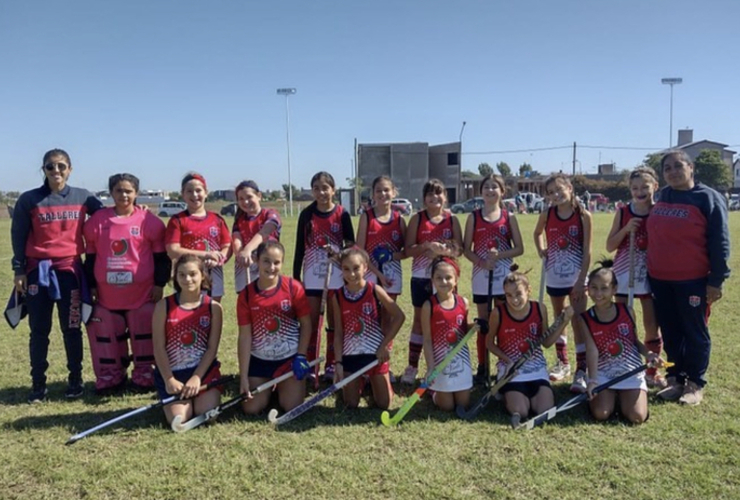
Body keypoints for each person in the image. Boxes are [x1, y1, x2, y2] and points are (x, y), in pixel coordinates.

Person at [11, 149, 103, 403]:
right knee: (39, 330)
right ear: (44, 170)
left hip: (70, 272)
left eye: (61, 166)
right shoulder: (29, 200)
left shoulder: (83, 197)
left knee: (72, 328)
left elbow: (107, 216)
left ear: (70, 169)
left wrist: (135, 210)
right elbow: (18, 235)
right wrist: (19, 270)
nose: (56, 171)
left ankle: (75, 380)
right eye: (50, 167)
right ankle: (38, 384)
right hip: (37, 273)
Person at [647, 150, 731, 406]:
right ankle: (675, 379)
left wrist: (717, 280)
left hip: (692, 280)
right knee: (671, 331)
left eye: (678, 166)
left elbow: (720, 241)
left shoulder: (707, 198)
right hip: (660, 279)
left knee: (694, 331)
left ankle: (695, 383)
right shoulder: (663, 196)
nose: (672, 171)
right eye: (667, 168)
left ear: (691, 167)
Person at [83, 173, 170, 394]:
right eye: (119, 190)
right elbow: (90, 259)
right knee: (106, 333)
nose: (124, 195)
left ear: (136, 193)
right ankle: (111, 376)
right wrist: (91, 285)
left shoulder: (149, 222)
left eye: (128, 191)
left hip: (142, 294)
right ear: (111, 192)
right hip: (106, 295)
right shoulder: (97, 222)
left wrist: (159, 284)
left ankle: (145, 375)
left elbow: (161, 258)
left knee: (144, 333)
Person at [487, 265, 573, 428]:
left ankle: (527, 395)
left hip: (536, 369)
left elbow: (546, 342)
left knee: (544, 410)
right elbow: (489, 343)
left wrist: (564, 322)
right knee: (522, 411)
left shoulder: (539, 309)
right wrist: (507, 360)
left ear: (528, 291)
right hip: (511, 371)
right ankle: (505, 392)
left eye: (518, 293)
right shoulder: (498, 313)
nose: (514, 300)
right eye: (509, 295)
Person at [580, 260, 662, 424]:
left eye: (604, 288)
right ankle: (610, 399)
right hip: (604, 375)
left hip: (630, 372)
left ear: (614, 289)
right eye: (594, 287)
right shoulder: (586, 318)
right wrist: (593, 380)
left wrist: (649, 354)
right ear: (587, 289)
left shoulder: (627, 311)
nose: (598, 293)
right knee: (601, 413)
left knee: (637, 416)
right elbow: (592, 350)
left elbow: (634, 342)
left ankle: (623, 399)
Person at [605, 167, 665, 388]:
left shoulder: (660, 211)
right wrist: (626, 229)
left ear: (655, 187)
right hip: (623, 273)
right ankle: (621, 365)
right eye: (635, 188)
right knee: (621, 323)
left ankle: (651, 371)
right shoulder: (623, 212)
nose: (640, 192)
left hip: (650, 274)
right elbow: (610, 246)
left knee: (651, 325)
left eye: (645, 187)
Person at [533, 174, 592, 393]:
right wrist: (542, 250)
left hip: (576, 277)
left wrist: (580, 281)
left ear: (569, 188)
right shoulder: (547, 214)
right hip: (554, 276)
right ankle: (563, 362)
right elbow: (537, 233)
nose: (556, 195)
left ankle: (582, 369)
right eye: (550, 192)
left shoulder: (583, 215)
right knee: (560, 321)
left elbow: (587, 251)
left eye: (559, 189)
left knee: (578, 320)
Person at [293, 171, 354, 383]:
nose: (321, 192)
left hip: (336, 276)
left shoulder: (342, 214)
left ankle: (330, 364)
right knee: (311, 322)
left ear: (333, 190)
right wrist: (296, 278)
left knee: (334, 322)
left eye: (325, 187)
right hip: (312, 276)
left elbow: (351, 246)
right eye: (317, 188)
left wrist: (338, 253)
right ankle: (311, 365)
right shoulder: (306, 215)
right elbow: (299, 248)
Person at [237, 241, 312, 414]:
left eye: (276, 262)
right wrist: (243, 377)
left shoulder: (293, 287)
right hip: (260, 360)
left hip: (288, 360)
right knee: (251, 408)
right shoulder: (246, 295)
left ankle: (283, 387)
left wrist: (300, 355)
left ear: (282, 263)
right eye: (266, 261)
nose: (271, 267)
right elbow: (245, 336)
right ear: (256, 260)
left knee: (291, 407)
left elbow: (306, 324)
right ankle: (268, 389)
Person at [463, 174, 524, 384]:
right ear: (481, 192)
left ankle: (502, 363)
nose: (490, 191)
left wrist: (500, 255)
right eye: (486, 187)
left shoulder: (509, 217)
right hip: (481, 278)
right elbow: (466, 249)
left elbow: (519, 248)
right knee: (484, 323)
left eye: (494, 187)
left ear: (502, 192)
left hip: (503, 279)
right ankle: (483, 365)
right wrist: (481, 262)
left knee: (501, 321)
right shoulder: (474, 217)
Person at [402, 179, 463, 385]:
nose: (434, 197)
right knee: (419, 321)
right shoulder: (417, 219)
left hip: (446, 278)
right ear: (424, 198)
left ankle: (451, 363)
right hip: (421, 276)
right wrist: (426, 246)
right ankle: (412, 366)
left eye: (438, 193)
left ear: (445, 196)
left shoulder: (452, 220)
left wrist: (445, 251)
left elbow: (459, 250)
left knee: (446, 320)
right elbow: (408, 249)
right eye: (429, 194)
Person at [152, 254, 223, 428]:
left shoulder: (213, 308)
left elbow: (211, 349)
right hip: (173, 374)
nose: (187, 279)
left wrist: (197, 378)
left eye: (192, 274)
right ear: (175, 277)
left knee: (207, 415)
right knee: (180, 419)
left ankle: (198, 398)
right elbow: (158, 348)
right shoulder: (163, 306)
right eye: (181, 274)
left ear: (203, 276)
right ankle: (173, 399)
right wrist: (169, 379)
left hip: (203, 373)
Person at [332, 247, 404, 409]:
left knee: (383, 404)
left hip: (375, 355)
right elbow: (338, 332)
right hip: (351, 355)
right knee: (350, 404)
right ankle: (362, 381)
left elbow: (400, 316)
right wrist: (338, 363)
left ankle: (372, 381)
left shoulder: (374, 290)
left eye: (356, 268)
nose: (351, 274)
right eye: (346, 269)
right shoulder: (337, 296)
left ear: (365, 267)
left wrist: (384, 345)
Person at [355, 175, 406, 373]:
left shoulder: (399, 219)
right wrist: (377, 273)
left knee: (387, 320)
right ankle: (367, 365)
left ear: (393, 192)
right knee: (369, 318)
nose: (383, 194)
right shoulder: (367, 216)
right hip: (370, 273)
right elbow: (359, 250)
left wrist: (392, 255)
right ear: (373, 194)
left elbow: (406, 251)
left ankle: (384, 365)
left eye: (387, 190)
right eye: (378, 190)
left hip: (392, 275)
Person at [165, 173, 231, 301]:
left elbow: (227, 246)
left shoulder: (217, 220)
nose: (194, 195)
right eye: (189, 191)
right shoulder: (177, 220)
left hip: (214, 275)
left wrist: (218, 259)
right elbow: (173, 250)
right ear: (183, 194)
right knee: (186, 312)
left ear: (206, 192)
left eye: (198, 190)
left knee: (212, 314)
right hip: (186, 276)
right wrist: (206, 254)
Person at [422, 256, 472, 411]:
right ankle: (433, 392)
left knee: (463, 404)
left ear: (456, 280)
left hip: (461, 361)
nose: (444, 282)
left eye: (448, 278)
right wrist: (431, 368)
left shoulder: (463, 302)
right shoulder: (429, 305)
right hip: (440, 363)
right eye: (439, 278)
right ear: (432, 280)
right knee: (447, 407)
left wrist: (475, 326)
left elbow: (465, 329)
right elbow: (428, 340)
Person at [232, 180, 281, 293]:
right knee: (246, 301)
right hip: (245, 265)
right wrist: (241, 254)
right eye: (241, 199)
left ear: (259, 196)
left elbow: (264, 232)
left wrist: (248, 249)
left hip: (267, 264)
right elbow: (236, 241)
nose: (246, 201)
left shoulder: (270, 214)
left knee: (266, 297)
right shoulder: (239, 220)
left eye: (249, 197)